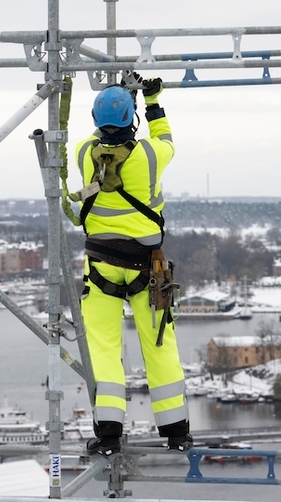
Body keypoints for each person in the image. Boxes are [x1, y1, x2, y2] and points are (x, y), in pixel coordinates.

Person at [73, 74, 191, 456]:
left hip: (101, 265)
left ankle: (109, 434)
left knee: (103, 347)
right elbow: (165, 139)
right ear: (131, 120)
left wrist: (123, 96)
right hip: (148, 267)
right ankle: (176, 432)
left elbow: (100, 139)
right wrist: (150, 100)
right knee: (158, 344)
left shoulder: (81, 152)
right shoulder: (151, 157)